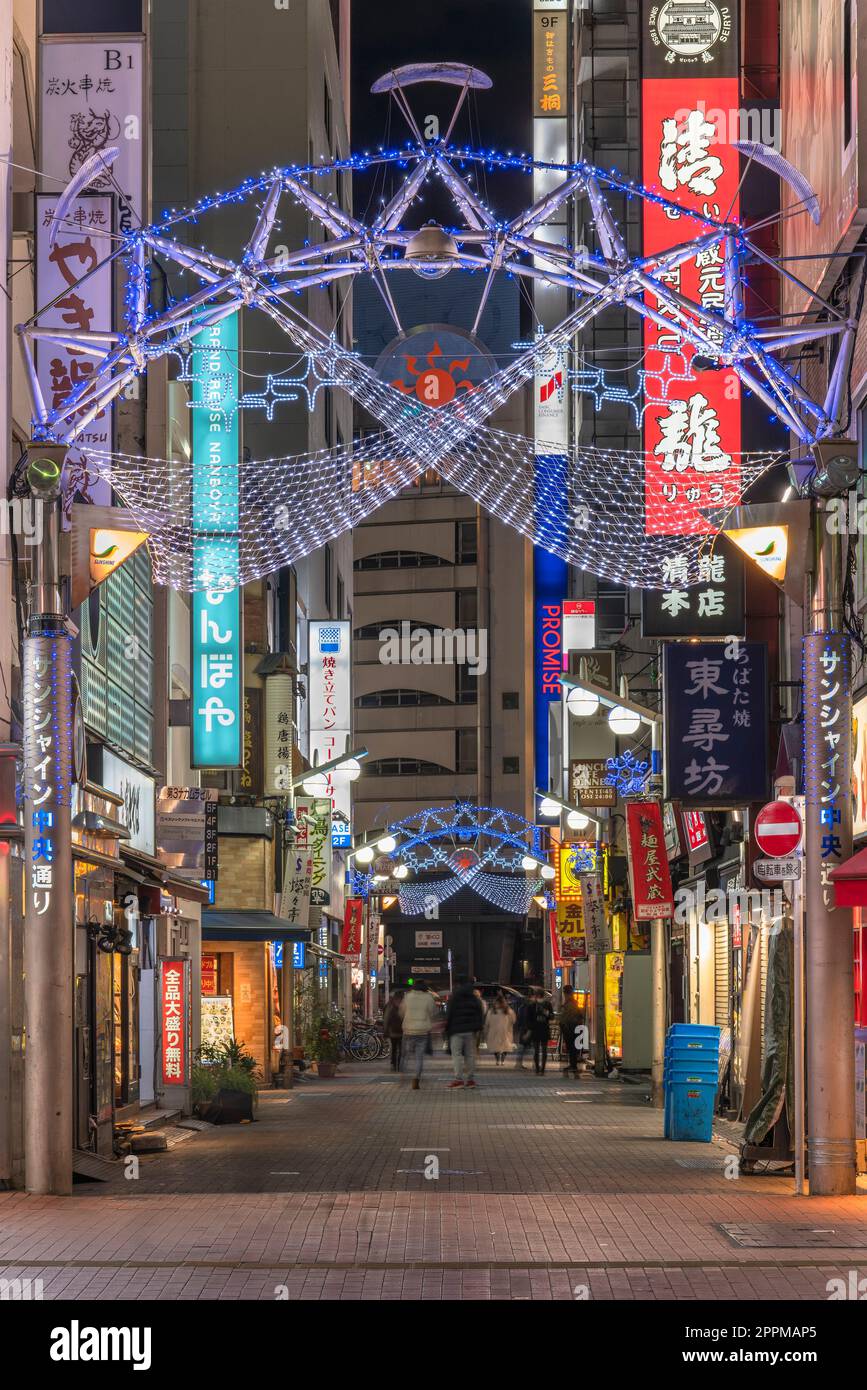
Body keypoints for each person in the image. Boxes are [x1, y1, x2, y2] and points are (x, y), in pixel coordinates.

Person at [444, 976, 485, 1088]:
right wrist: (478, 1027)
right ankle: (470, 1080)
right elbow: (479, 1013)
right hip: (470, 1030)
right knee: (470, 1055)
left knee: (456, 1055)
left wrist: (447, 1029)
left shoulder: (454, 997)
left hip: (456, 1030)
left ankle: (459, 1080)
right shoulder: (473, 997)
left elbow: (449, 1014)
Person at [399, 982, 436, 1089]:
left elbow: (401, 1012)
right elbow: (433, 1012)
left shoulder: (408, 997)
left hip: (408, 1030)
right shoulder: (428, 997)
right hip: (422, 1031)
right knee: (419, 1057)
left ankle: (402, 1077)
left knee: (405, 1055)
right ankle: (416, 1079)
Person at [484, 992, 516, 1066]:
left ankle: (497, 1060)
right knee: (505, 1046)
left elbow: (487, 1022)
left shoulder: (492, 1011)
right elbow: (513, 1020)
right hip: (506, 1031)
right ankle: (503, 1060)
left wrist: (486, 1030)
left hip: (494, 1031)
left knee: (495, 1046)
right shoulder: (508, 1011)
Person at [558, 986, 582, 1078]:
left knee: (571, 1049)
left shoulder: (568, 1004)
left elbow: (564, 1019)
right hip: (575, 1029)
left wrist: (563, 1027)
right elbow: (580, 1016)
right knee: (573, 1049)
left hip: (569, 1029)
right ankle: (573, 1066)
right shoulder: (575, 1003)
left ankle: (573, 1066)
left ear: (566, 994)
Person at [530, 988, 554, 1075]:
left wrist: (545, 1012)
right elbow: (552, 1016)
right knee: (542, 1050)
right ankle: (540, 1069)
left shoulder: (546, 1004)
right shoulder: (534, 1005)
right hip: (542, 1029)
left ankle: (539, 1069)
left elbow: (551, 1016)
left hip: (539, 1029)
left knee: (538, 1050)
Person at [382, 990, 405, 1072]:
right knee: (400, 1048)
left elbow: (386, 1019)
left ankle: (394, 1064)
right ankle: (398, 1064)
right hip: (402, 1031)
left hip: (393, 1031)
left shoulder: (389, 1005)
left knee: (394, 1048)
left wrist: (385, 1031)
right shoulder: (404, 1005)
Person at [514, 993, 534, 1069]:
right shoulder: (530, 1008)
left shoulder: (521, 1008)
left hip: (523, 1029)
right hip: (528, 1029)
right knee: (532, 1047)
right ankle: (534, 1064)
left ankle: (518, 1063)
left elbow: (519, 1019)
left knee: (522, 1047)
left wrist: (519, 1027)